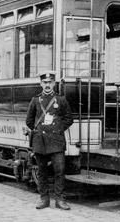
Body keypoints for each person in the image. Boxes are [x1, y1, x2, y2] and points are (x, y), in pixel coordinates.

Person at [25, 70, 73, 210]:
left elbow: (68, 119)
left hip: (56, 141)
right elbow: (29, 121)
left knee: (59, 171)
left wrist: (57, 129)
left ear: (54, 83)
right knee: (42, 172)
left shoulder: (61, 100)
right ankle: (44, 199)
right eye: (45, 82)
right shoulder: (35, 100)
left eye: (50, 82)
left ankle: (60, 200)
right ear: (41, 83)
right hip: (40, 142)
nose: (47, 85)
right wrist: (40, 130)